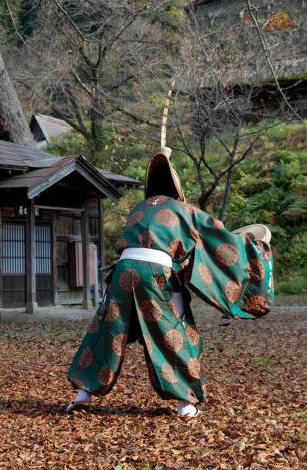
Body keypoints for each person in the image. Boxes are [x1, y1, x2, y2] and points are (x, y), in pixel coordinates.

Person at [66, 147, 273, 418]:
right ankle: (185, 403)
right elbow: (219, 240)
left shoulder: (139, 208)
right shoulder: (184, 210)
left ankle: (84, 392)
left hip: (123, 272)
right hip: (155, 274)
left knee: (107, 331)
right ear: (177, 188)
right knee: (172, 330)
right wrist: (255, 246)